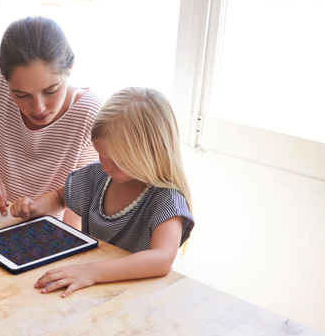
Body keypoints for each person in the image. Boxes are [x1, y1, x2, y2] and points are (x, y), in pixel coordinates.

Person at [10, 87, 195, 298]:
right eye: (101, 155)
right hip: (90, 291)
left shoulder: (167, 201)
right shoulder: (98, 176)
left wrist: (91, 272)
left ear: (150, 153)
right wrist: (35, 207)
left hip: (134, 297)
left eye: (116, 160)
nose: (105, 166)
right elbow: (59, 198)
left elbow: (161, 259)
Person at [0, 16, 102, 227]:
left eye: (51, 91)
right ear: (4, 79)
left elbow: (76, 210)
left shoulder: (90, 114)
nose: (38, 108)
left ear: (69, 70)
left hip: (41, 233)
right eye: (21, 95)